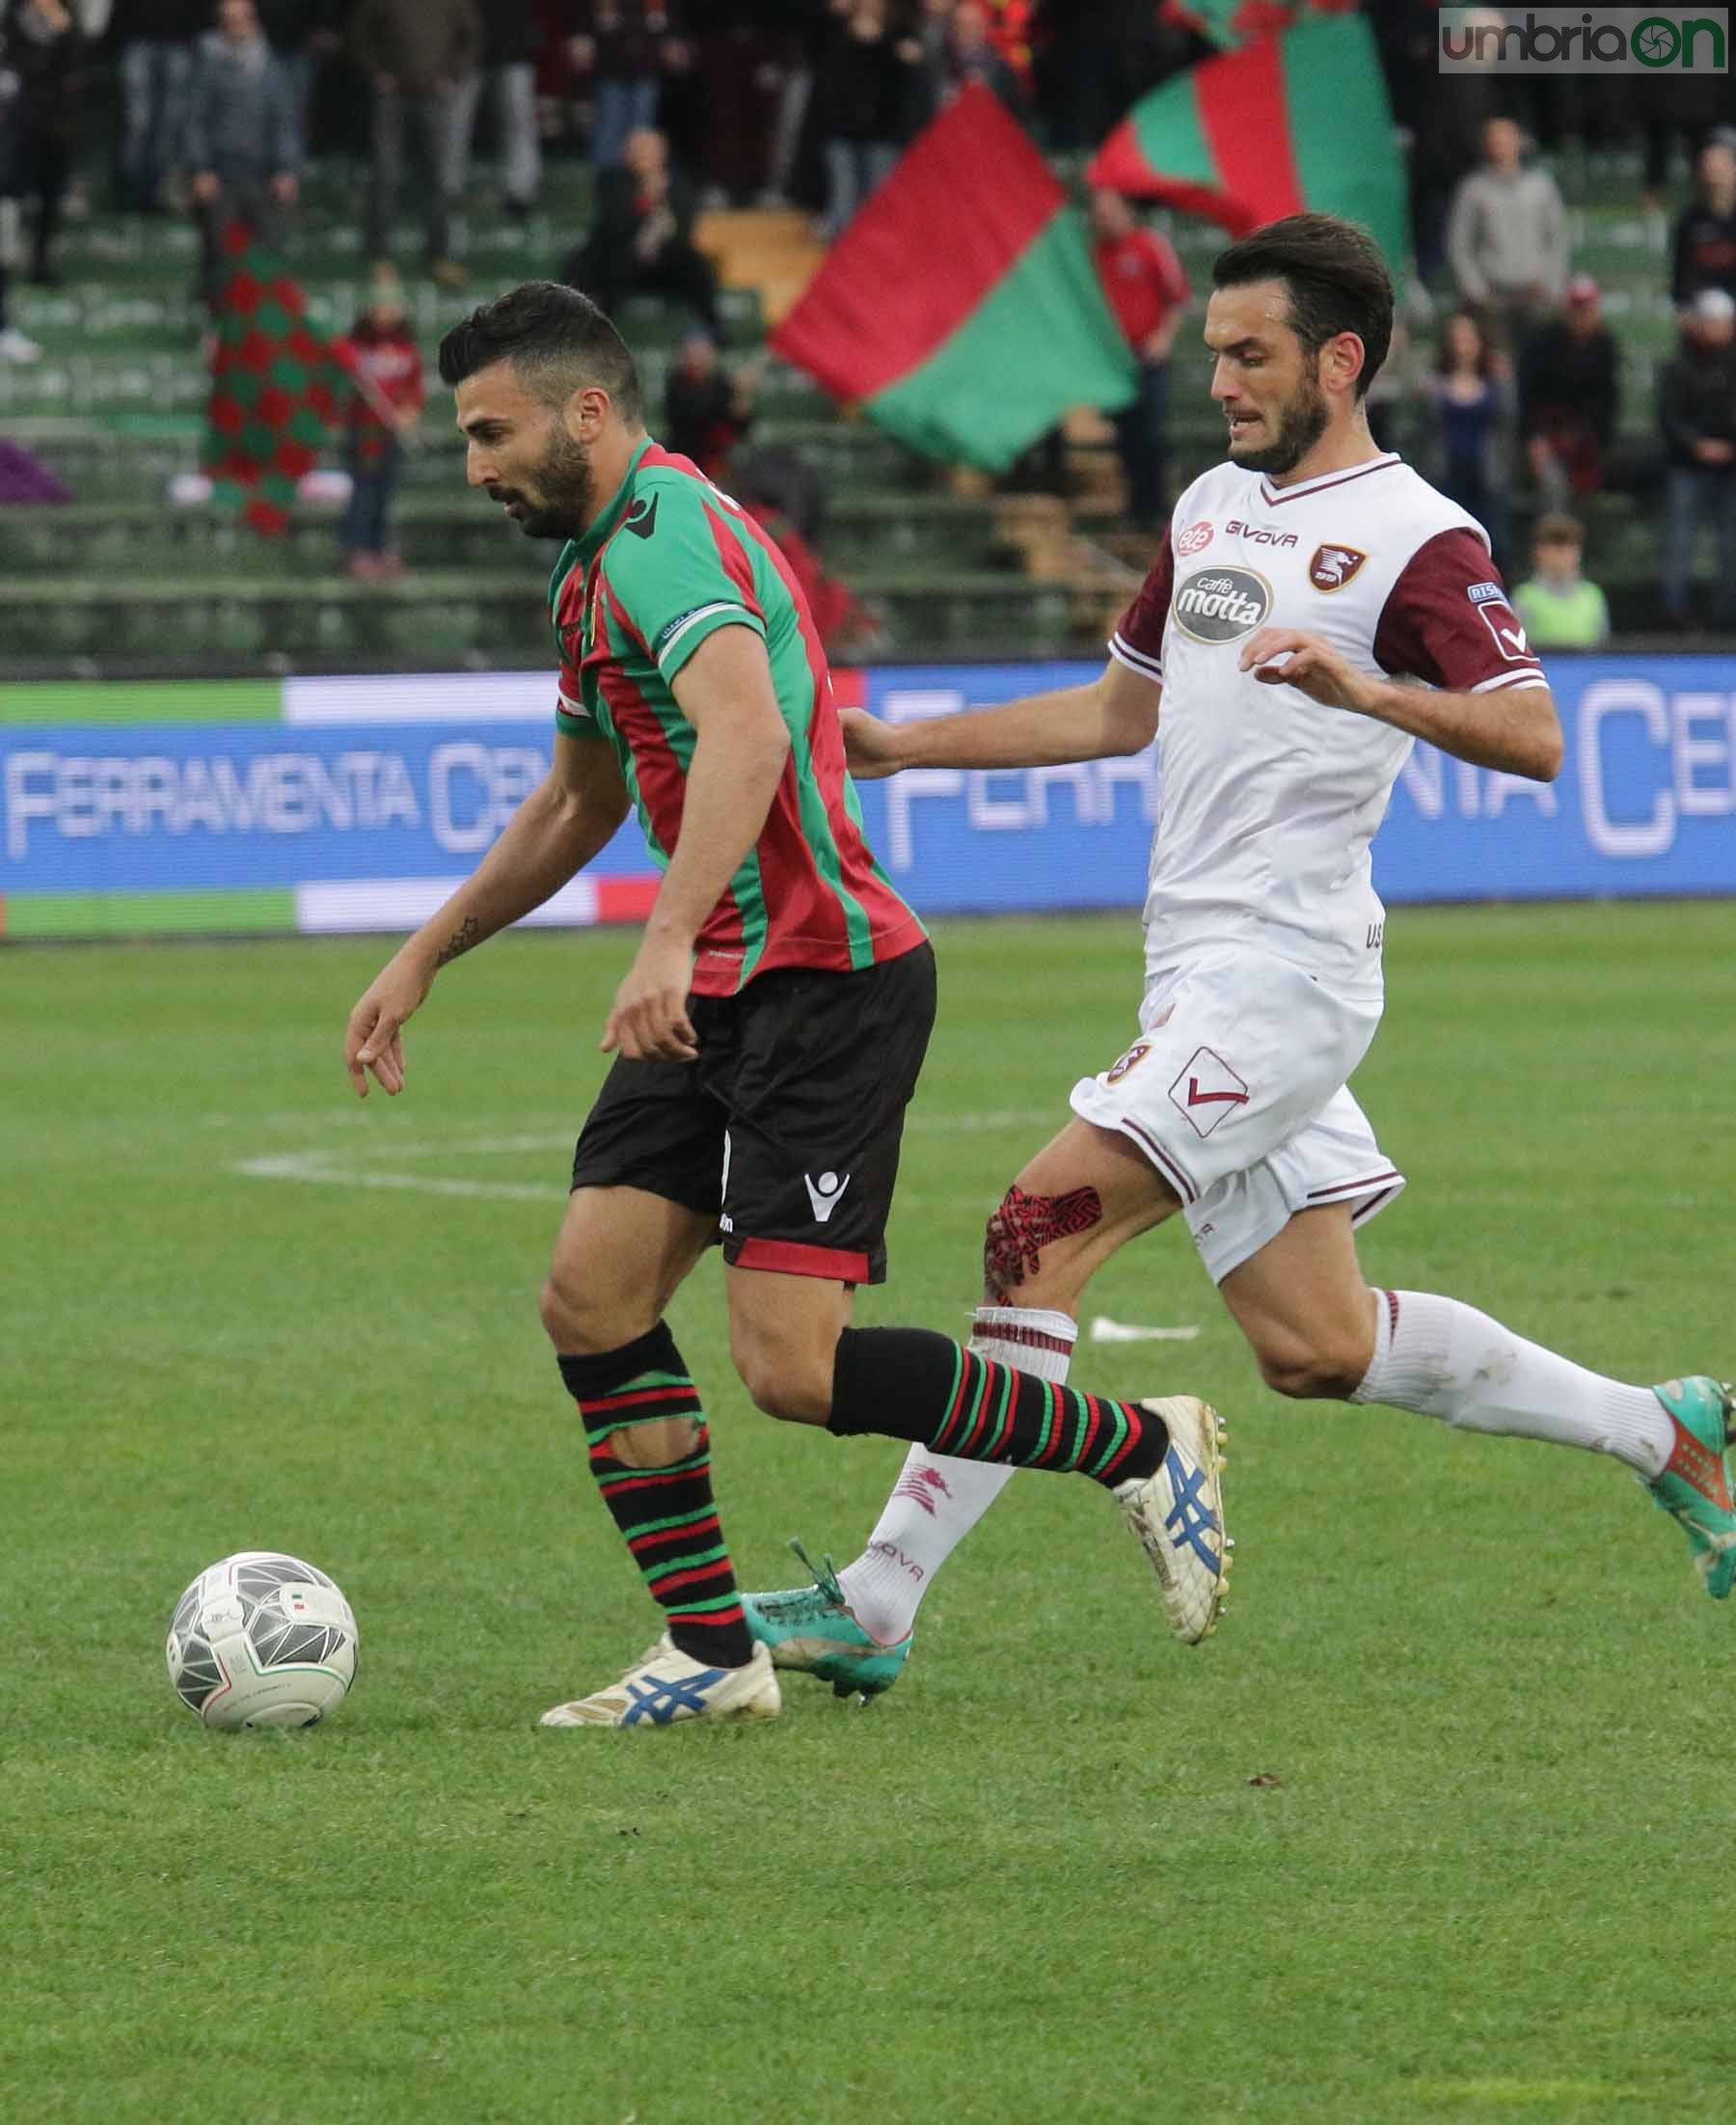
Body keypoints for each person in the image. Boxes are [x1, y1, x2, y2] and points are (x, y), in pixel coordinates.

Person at [740, 213, 1733, 1702]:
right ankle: (1669, 1429)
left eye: (1250, 353)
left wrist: (1370, 681)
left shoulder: (1420, 534)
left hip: (1282, 978)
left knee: (1033, 1230)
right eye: (1212, 353)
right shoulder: (1209, 505)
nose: (1221, 380)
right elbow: (1117, 710)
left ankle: (880, 1598)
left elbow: (1534, 733)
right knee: (1315, 1343)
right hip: (1195, 972)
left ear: (1342, 359)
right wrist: (902, 746)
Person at [341, 281, 1226, 1727]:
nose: (476, 466)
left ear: (587, 410)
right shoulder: (583, 576)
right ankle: (709, 1650)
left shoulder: (667, 533)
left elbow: (748, 730)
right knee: (591, 1295)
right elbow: (583, 793)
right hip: (719, 989)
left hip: (825, 980)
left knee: (792, 1370)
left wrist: (662, 935)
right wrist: (430, 950)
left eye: (491, 432)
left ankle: (1139, 1440)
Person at [348, 0, 479, 287]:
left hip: (435, 96)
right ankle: (379, 257)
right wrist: (376, 73)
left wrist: (454, 75)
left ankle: (438, 255)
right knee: (386, 176)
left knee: (440, 179)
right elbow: (359, 34)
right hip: (392, 97)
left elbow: (471, 37)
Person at [185, 0, 300, 309]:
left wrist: (286, 168)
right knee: (219, 253)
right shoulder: (208, 65)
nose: (236, 25)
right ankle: (217, 322)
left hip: (262, 174)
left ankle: (264, 320)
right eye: (229, 20)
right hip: (221, 175)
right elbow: (195, 120)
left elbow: (284, 121)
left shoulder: (270, 66)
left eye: (242, 18)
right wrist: (201, 169)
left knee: (267, 252)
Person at [1089, 186, 1188, 531]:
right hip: (1114, 362)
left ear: (1126, 211)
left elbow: (1176, 295)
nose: (1103, 220)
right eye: (1098, 214)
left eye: (1109, 211)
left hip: (1148, 356)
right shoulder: (1094, 255)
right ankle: (1134, 509)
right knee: (1125, 434)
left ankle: (1158, 507)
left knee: (1152, 432)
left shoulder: (1149, 246)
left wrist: (1162, 338)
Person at [561, 123, 719, 334]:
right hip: (621, 260)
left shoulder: (679, 184)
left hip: (664, 261)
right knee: (608, 261)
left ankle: (712, 330)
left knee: (697, 265)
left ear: (663, 153)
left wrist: (662, 201)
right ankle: (598, 331)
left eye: (650, 149)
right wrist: (645, 199)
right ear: (626, 153)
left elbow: (683, 230)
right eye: (639, 148)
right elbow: (615, 225)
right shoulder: (612, 181)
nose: (644, 155)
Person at [1446, 116, 1569, 350]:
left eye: (1505, 139)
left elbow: (1557, 237)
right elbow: (1458, 243)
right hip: (1494, 297)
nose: (1499, 145)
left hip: (1536, 294)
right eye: (1494, 139)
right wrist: (1476, 290)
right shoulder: (1473, 189)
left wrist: (1553, 283)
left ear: (1518, 142)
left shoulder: (1541, 187)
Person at [337, 265, 422, 581]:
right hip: (363, 435)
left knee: (385, 495)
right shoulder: (355, 349)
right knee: (364, 493)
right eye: (379, 306)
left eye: (391, 307)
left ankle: (379, 546)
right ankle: (356, 548)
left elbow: (413, 390)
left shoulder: (406, 350)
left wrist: (408, 413)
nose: (385, 313)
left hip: (390, 435)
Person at [1659, 286, 1736, 631]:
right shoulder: (1679, 364)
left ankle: (1727, 616)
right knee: (1680, 541)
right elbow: (1669, 416)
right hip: (1687, 465)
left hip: (1730, 465)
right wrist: (1697, 445)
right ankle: (1674, 616)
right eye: (1713, 322)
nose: (1719, 329)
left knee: (1730, 543)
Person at [1517, 275, 1620, 509]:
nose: (1583, 316)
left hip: (1586, 438)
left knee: (1588, 498)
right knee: (1553, 491)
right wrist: (1534, 437)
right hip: (1549, 433)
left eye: (1588, 309)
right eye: (1578, 309)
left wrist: (1594, 439)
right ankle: (1555, 541)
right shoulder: (1544, 343)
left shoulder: (1604, 346)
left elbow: (1607, 401)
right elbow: (1529, 395)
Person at [0, 0, 83, 289]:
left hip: (56, 122)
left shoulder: (67, 15)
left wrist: (61, 27)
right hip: (18, 118)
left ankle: (42, 261)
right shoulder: (14, 14)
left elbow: (75, 60)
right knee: (11, 195)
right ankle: (8, 259)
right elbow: (17, 63)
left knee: (51, 195)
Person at [1425, 308, 1513, 570]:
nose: (1463, 347)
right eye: (1457, 339)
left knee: (1493, 542)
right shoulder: (1433, 384)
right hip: (1446, 473)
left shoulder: (1497, 382)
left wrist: (1505, 379)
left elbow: (1509, 423)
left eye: (1468, 339)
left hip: (1486, 475)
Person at [445, 0, 541, 220]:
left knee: (519, 122)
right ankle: (447, 190)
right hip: (469, 50)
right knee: (455, 123)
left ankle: (521, 192)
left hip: (514, 49)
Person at [568, 1, 682, 173]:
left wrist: (673, 38)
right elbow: (584, 16)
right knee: (609, 127)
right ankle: (609, 186)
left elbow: (666, 17)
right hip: (609, 66)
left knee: (642, 129)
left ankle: (639, 186)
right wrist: (581, 37)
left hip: (645, 65)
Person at [119, 0, 198, 215]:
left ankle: (159, 192)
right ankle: (133, 192)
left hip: (178, 40)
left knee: (170, 125)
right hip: (138, 38)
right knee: (138, 122)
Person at [663, 326, 756, 478]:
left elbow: (741, 427)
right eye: (693, 351)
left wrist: (742, 398)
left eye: (703, 351)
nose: (698, 358)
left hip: (720, 465)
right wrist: (734, 392)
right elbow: (694, 413)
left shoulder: (722, 382)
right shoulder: (676, 383)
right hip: (684, 465)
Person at [1511, 512, 1610, 649]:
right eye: (1554, 547)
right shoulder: (1524, 596)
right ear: (1538, 552)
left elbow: (1604, 647)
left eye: (1568, 547)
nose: (1561, 555)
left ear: (1578, 552)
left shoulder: (1593, 595)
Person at [1671, 136, 1736, 309]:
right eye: (1708, 165)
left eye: (1720, 166)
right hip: (1702, 314)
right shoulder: (1689, 221)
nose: (1714, 173)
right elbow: (1681, 277)